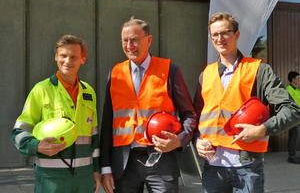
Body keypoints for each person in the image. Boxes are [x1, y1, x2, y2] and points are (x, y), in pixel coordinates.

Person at [193, 12, 300, 193]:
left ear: (237, 35)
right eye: (215, 35)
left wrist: (262, 129)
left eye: (225, 32)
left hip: (247, 167)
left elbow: (292, 110)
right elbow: (196, 116)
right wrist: (197, 140)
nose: (220, 38)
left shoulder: (259, 70)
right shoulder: (206, 74)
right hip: (213, 168)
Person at [100, 17, 197, 193]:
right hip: (124, 165)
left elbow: (189, 114)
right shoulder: (115, 73)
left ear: (149, 40)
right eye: (125, 41)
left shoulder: (169, 70)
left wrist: (179, 141)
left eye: (135, 40)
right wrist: (105, 167)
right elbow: (107, 122)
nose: (129, 46)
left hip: (162, 161)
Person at [11, 35, 101, 193]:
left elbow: (94, 137)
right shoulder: (41, 90)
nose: (68, 61)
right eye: (63, 56)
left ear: (83, 59)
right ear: (56, 57)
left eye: (74, 57)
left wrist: (96, 170)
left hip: (84, 177)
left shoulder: (89, 92)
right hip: (51, 178)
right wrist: (37, 146)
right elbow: (19, 131)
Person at [286, 71, 300, 164]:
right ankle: (292, 156)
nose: (299, 79)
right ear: (293, 79)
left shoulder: (297, 90)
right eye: (298, 77)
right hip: (292, 116)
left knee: (294, 135)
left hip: (298, 116)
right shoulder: (288, 89)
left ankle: (292, 155)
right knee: (295, 135)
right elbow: (292, 104)